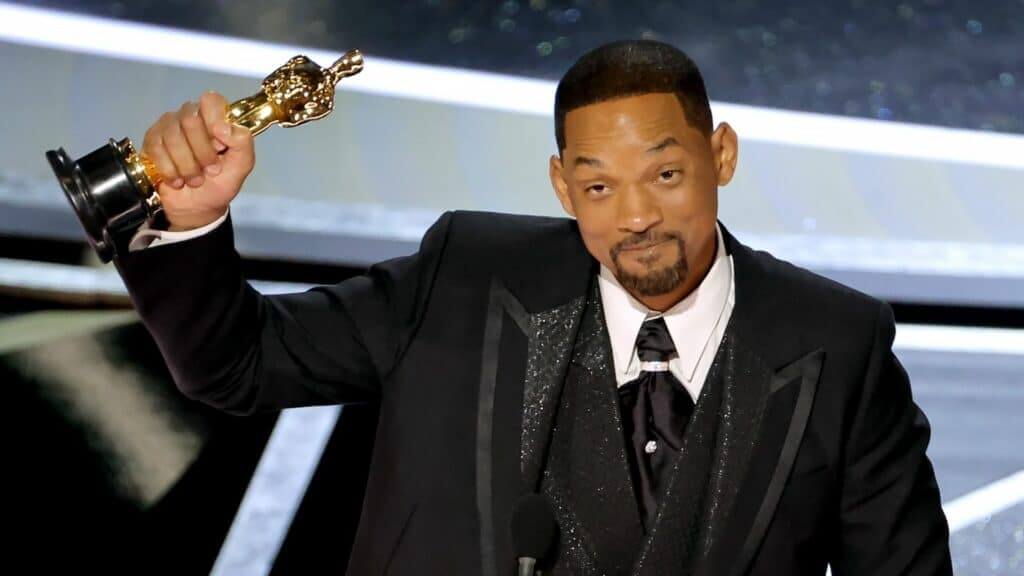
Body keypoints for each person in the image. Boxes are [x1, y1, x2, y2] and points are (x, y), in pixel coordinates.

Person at [114, 40, 952, 575]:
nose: (635, 217)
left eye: (665, 174)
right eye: (598, 185)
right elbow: (235, 364)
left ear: (720, 154)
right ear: (561, 186)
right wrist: (191, 224)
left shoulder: (838, 342)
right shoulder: (464, 278)